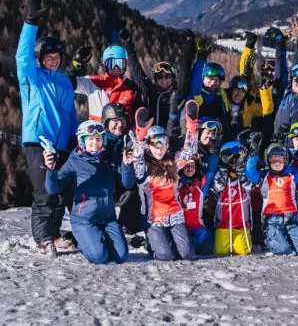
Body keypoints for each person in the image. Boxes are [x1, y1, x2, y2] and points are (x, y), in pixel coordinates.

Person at [16, 0, 78, 257]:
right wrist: (30, 23)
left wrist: (75, 138)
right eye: (49, 56)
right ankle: (43, 239)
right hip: (39, 142)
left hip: (63, 144)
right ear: (40, 58)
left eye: (57, 56)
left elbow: (69, 113)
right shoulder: (32, 78)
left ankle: (53, 234)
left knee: (60, 194)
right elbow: (22, 57)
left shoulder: (63, 81)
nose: (54, 59)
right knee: (44, 193)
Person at [44, 120, 135, 264]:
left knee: (121, 256)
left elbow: (127, 183)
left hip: (108, 219)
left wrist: (127, 165)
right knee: (99, 257)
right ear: (82, 141)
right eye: (90, 139)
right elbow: (53, 188)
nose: (95, 143)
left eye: (98, 139)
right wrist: (51, 169)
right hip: (84, 220)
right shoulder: (74, 161)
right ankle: (81, 240)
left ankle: (96, 239)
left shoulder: (109, 159)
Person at [133, 103, 199, 262]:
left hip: (175, 216)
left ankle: (172, 240)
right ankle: (153, 242)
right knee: (165, 256)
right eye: (154, 143)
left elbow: (189, 152)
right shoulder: (144, 167)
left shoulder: (174, 162)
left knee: (187, 255)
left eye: (162, 142)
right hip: (154, 219)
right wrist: (141, 137)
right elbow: (136, 157)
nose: (159, 148)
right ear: (148, 146)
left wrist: (192, 127)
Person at [249, 144, 298, 256]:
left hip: (290, 221)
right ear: (268, 160)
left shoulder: (292, 175)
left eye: (280, 160)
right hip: (272, 221)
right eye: (273, 159)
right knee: (283, 251)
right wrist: (253, 154)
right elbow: (250, 171)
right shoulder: (264, 176)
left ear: (285, 160)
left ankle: (287, 240)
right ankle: (270, 240)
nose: (277, 163)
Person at [72, 42, 140, 122]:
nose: (116, 67)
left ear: (125, 65)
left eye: (120, 63)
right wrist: (77, 65)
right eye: (112, 63)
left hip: (121, 132)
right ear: (105, 64)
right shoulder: (93, 82)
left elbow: (139, 116)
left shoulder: (132, 88)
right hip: (97, 132)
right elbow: (69, 84)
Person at [102, 102, 142, 235]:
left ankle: (128, 226)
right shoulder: (98, 141)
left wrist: (127, 163)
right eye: (115, 121)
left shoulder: (129, 142)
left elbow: (128, 182)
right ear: (106, 122)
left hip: (121, 185)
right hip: (103, 186)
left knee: (133, 193)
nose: (120, 125)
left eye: (123, 121)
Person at [210, 141, 254, 255]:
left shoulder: (244, 174)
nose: (234, 162)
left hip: (241, 223)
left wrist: (240, 167)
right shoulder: (221, 174)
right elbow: (217, 187)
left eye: (238, 158)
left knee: (244, 250)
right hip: (223, 224)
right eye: (231, 159)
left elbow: (248, 186)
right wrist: (224, 168)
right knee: (221, 251)